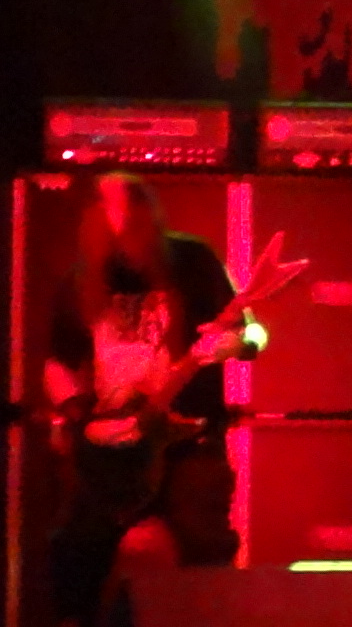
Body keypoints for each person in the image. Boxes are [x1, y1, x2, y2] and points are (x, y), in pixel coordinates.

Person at [43, 172, 264, 626]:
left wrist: (232, 344)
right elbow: (58, 363)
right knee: (75, 554)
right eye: (105, 209)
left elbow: (256, 334)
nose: (118, 221)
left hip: (187, 440)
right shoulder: (81, 280)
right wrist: (76, 414)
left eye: (127, 209)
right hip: (111, 454)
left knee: (204, 556)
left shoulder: (192, 260)